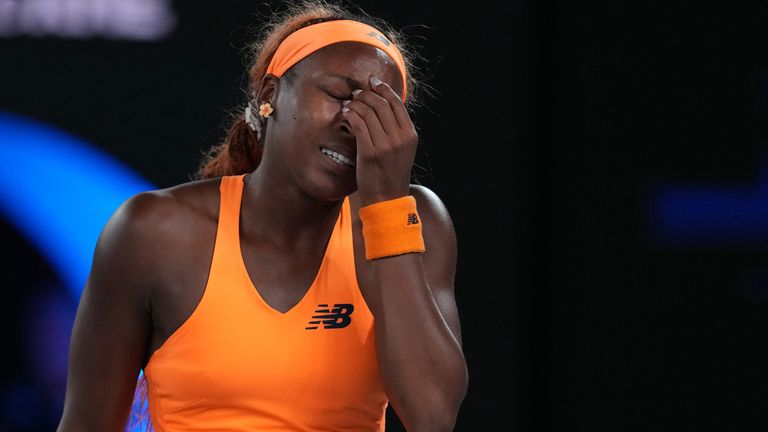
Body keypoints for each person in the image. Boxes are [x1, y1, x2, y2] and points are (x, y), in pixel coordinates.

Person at [57, 1, 467, 431]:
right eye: (338, 95)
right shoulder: (154, 231)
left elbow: (432, 416)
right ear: (269, 95)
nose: (356, 123)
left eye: (380, 112)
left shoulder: (409, 219)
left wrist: (384, 203)